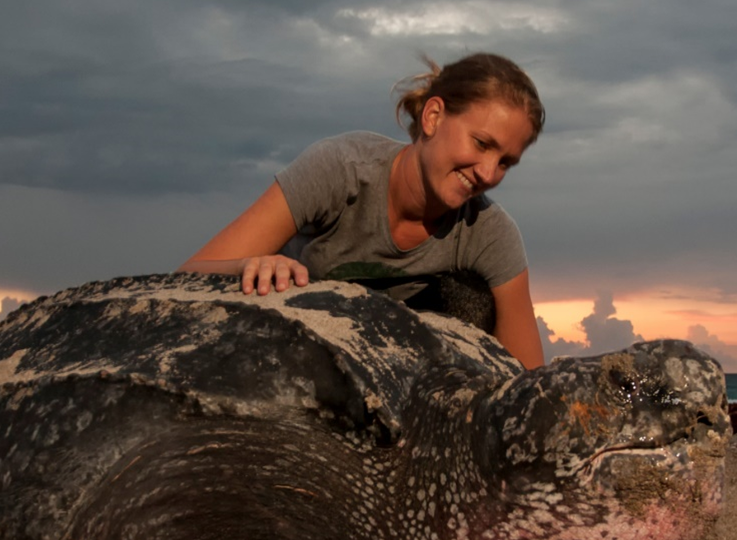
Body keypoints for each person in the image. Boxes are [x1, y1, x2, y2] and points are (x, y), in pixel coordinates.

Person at [179, 52, 546, 367]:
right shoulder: (341, 170)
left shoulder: (489, 232)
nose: (487, 173)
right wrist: (250, 267)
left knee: (474, 299)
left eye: (505, 162)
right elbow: (184, 279)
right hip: (294, 360)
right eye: (481, 144)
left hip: (407, 384)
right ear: (433, 117)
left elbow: (528, 383)